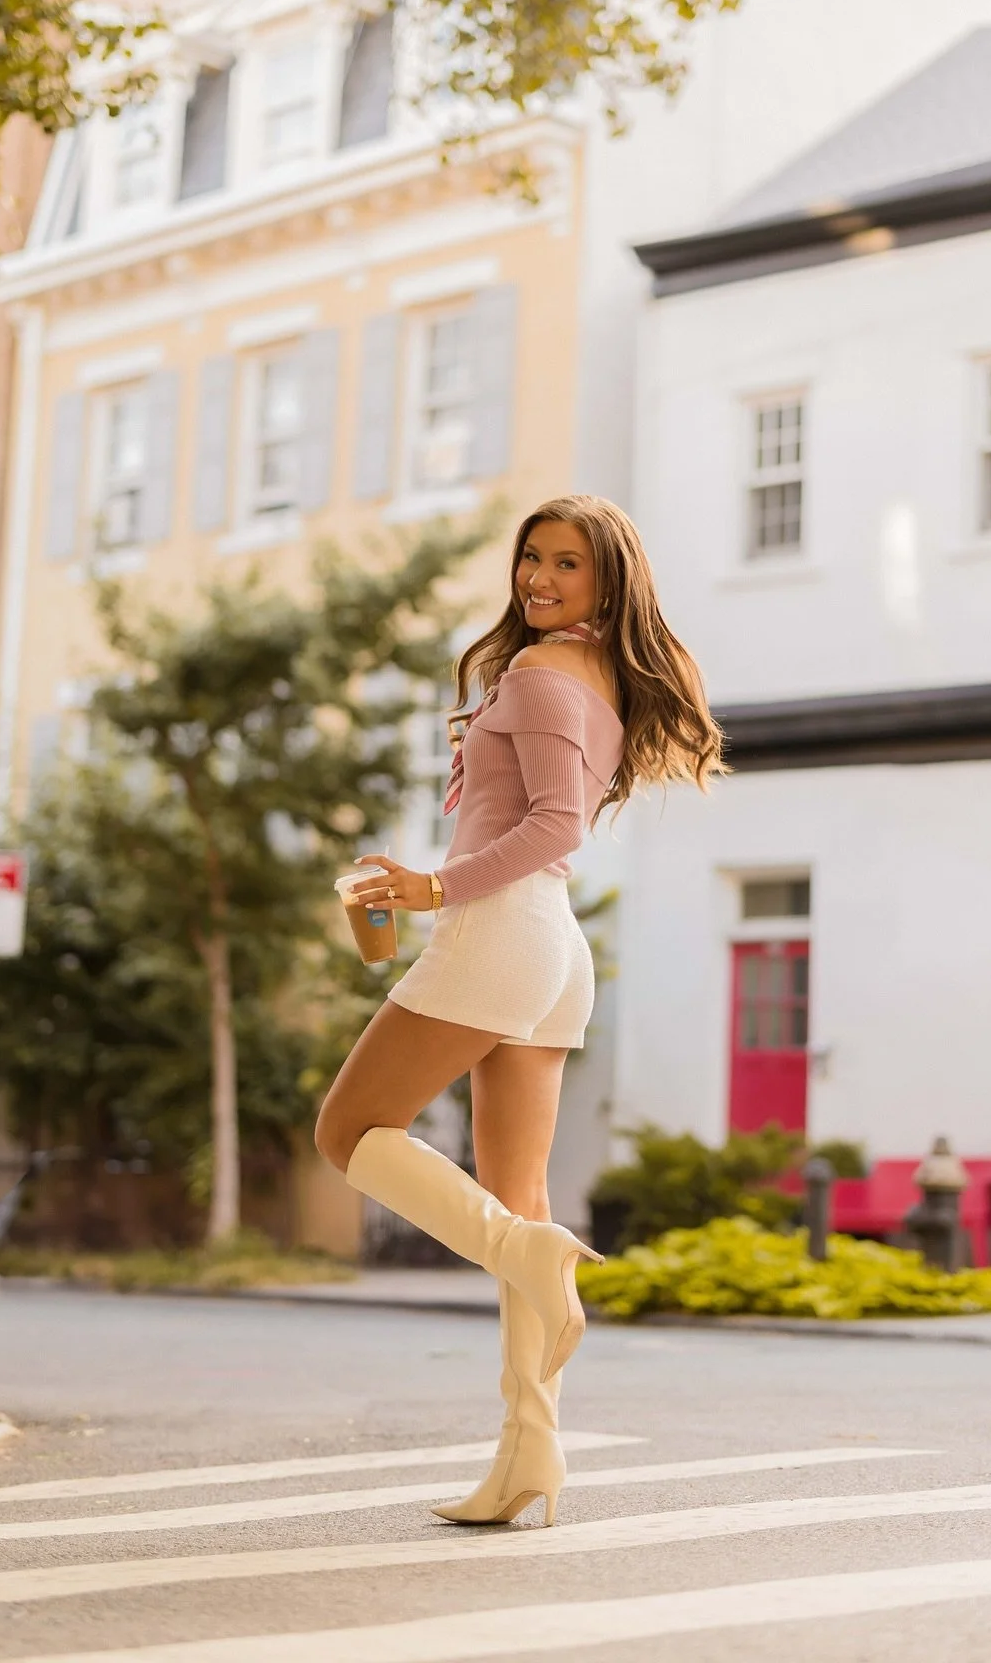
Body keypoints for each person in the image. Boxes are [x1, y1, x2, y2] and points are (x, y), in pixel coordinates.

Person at [315, 494, 724, 1527]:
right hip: (551, 947)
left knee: (348, 1132)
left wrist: (432, 889)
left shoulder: (543, 676)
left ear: (608, 582)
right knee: (519, 1190)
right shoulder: (594, 679)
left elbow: (549, 826)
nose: (539, 579)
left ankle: (527, 1253)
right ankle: (527, 1451)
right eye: (531, 558)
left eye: (567, 565)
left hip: (501, 932)